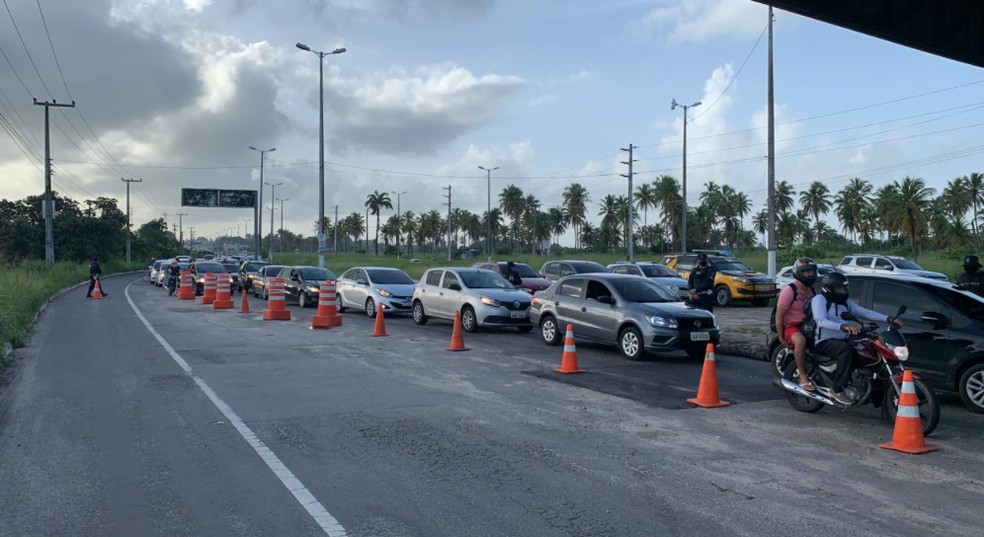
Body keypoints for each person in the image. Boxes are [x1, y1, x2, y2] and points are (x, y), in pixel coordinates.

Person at [812, 271, 902, 405]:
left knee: (866, 348)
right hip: (823, 341)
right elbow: (820, 321)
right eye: (839, 288)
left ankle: (865, 385)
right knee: (846, 349)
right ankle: (837, 389)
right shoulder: (819, 300)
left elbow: (864, 312)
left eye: (844, 288)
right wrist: (842, 326)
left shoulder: (845, 303)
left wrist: (888, 319)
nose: (843, 291)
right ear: (830, 288)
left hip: (843, 339)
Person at [774, 258, 818, 391]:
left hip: (808, 325)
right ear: (798, 273)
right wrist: (781, 337)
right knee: (800, 342)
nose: (811, 274)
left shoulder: (811, 291)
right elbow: (779, 315)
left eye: (813, 272)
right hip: (792, 326)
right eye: (807, 272)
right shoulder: (789, 290)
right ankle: (803, 377)